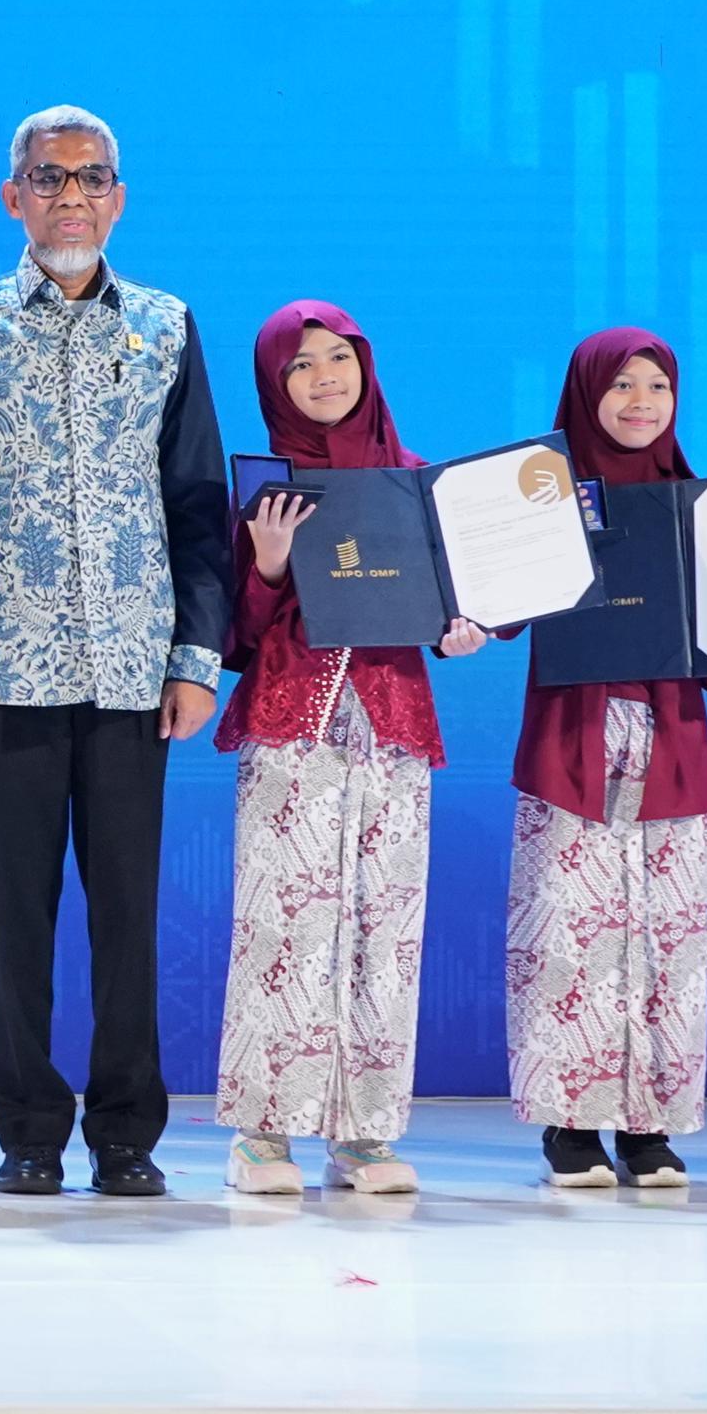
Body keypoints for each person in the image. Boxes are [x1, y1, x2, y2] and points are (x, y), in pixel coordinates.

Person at [0, 106, 231, 1199]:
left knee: (128, 917)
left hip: (134, 673)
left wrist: (194, 659)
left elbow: (197, 505)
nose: (71, 197)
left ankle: (127, 1136)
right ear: (14, 198)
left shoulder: (166, 327)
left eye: (91, 178)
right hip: (2, 673)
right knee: (17, 918)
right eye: (49, 178)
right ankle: (29, 1133)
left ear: (119, 197)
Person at [215, 301, 487, 1197]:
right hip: (292, 722)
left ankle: (365, 1132)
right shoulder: (265, 488)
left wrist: (462, 628)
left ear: (365, 365)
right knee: (283, 928)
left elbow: (459, 604)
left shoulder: (415, 481)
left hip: (392, 724)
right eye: (299, 365)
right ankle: (262, 1134)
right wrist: (267, 561)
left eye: (338, 357)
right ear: (274, 384)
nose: (323, 376)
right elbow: (234, 635)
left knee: (385, 931)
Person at [503, 331, 707, 1190]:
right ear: (585, 392)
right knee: (570, 934)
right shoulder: (547, 498)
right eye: (621, 384)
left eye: (658, 385)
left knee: (669, 939)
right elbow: (499, 604)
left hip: (672, 743)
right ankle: (571, 1124)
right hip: (574, 740)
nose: (641, 402)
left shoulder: (697, 508)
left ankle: (648, 1127)